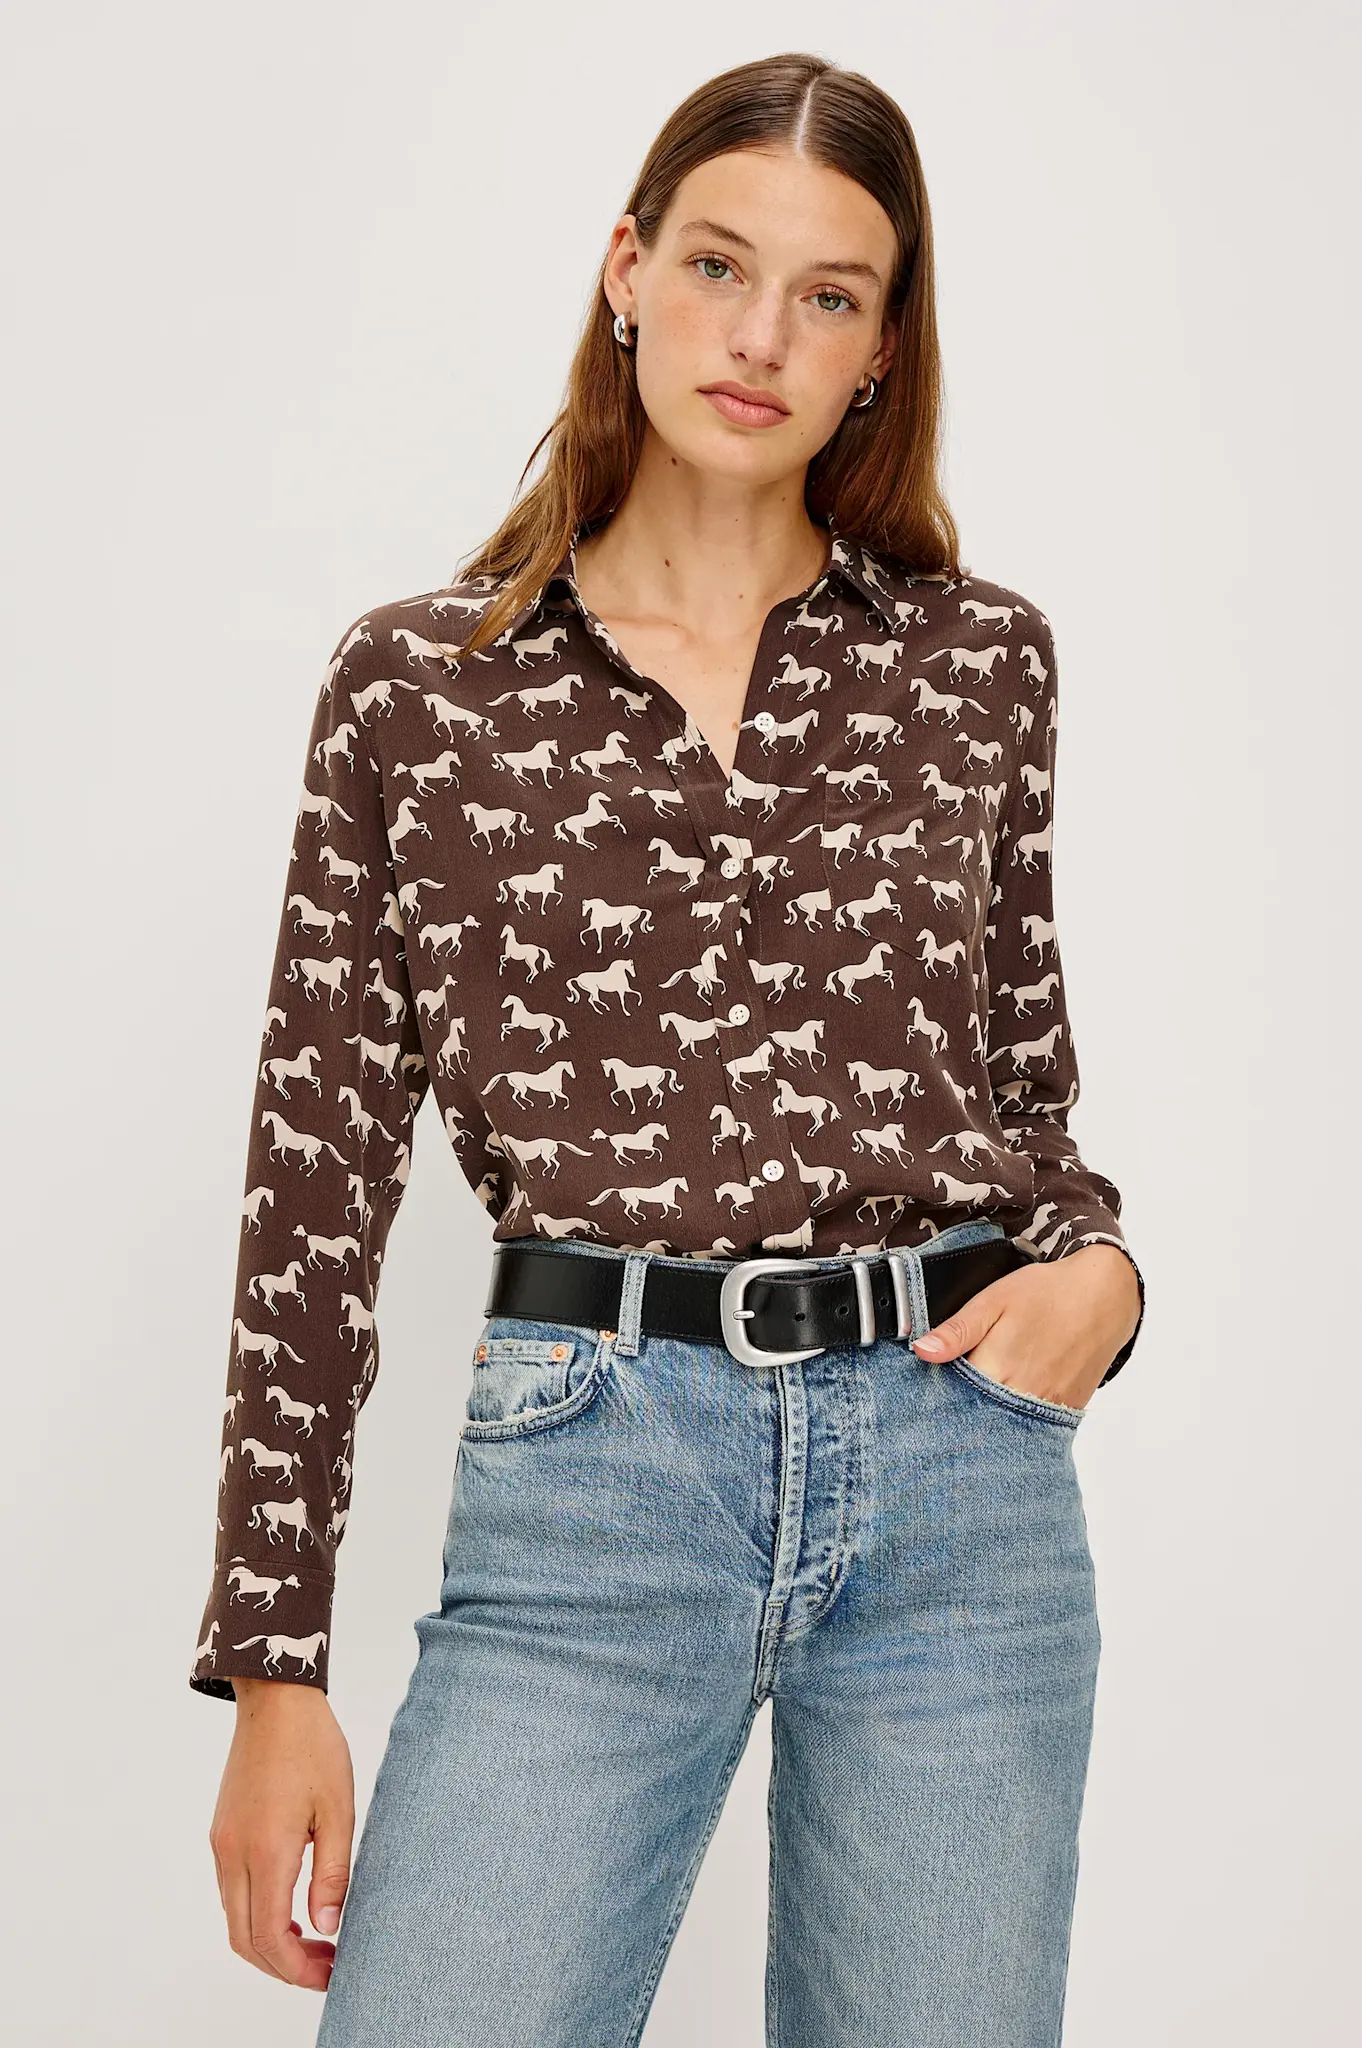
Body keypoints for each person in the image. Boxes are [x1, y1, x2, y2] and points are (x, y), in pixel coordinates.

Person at [194, 49, 1145, 2048]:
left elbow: (1022, 1087)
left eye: (827, 293)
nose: (758, 336)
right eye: (717, 265)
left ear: (882, 348)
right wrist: (276, 1666)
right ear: (625, 271)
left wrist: (1104, 1276)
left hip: (958, 1483)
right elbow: (314, 1191)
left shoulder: (976, 663)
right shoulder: (421, 688)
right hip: (594, 1471)